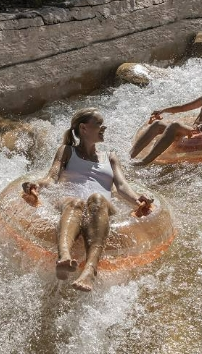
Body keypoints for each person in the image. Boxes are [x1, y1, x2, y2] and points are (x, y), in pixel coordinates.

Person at [21, 108, 153, 292]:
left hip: (101, 206)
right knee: (76, 202)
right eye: (99, 124)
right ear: (83, 128)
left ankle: (90, 271)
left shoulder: (110, 157)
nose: (104, 127)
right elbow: (51, 178)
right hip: (70, 201)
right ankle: (64, 257)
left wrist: (138, 198)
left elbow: (122, 187)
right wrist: (36, 184)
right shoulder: (66, 151)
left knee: (96, 198)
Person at [130, 68, 202, 166]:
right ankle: (130, 155)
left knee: (175, 125)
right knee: (157, 124)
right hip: (192, 132)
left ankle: (145, 161)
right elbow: (183, 107)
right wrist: (163, 110)